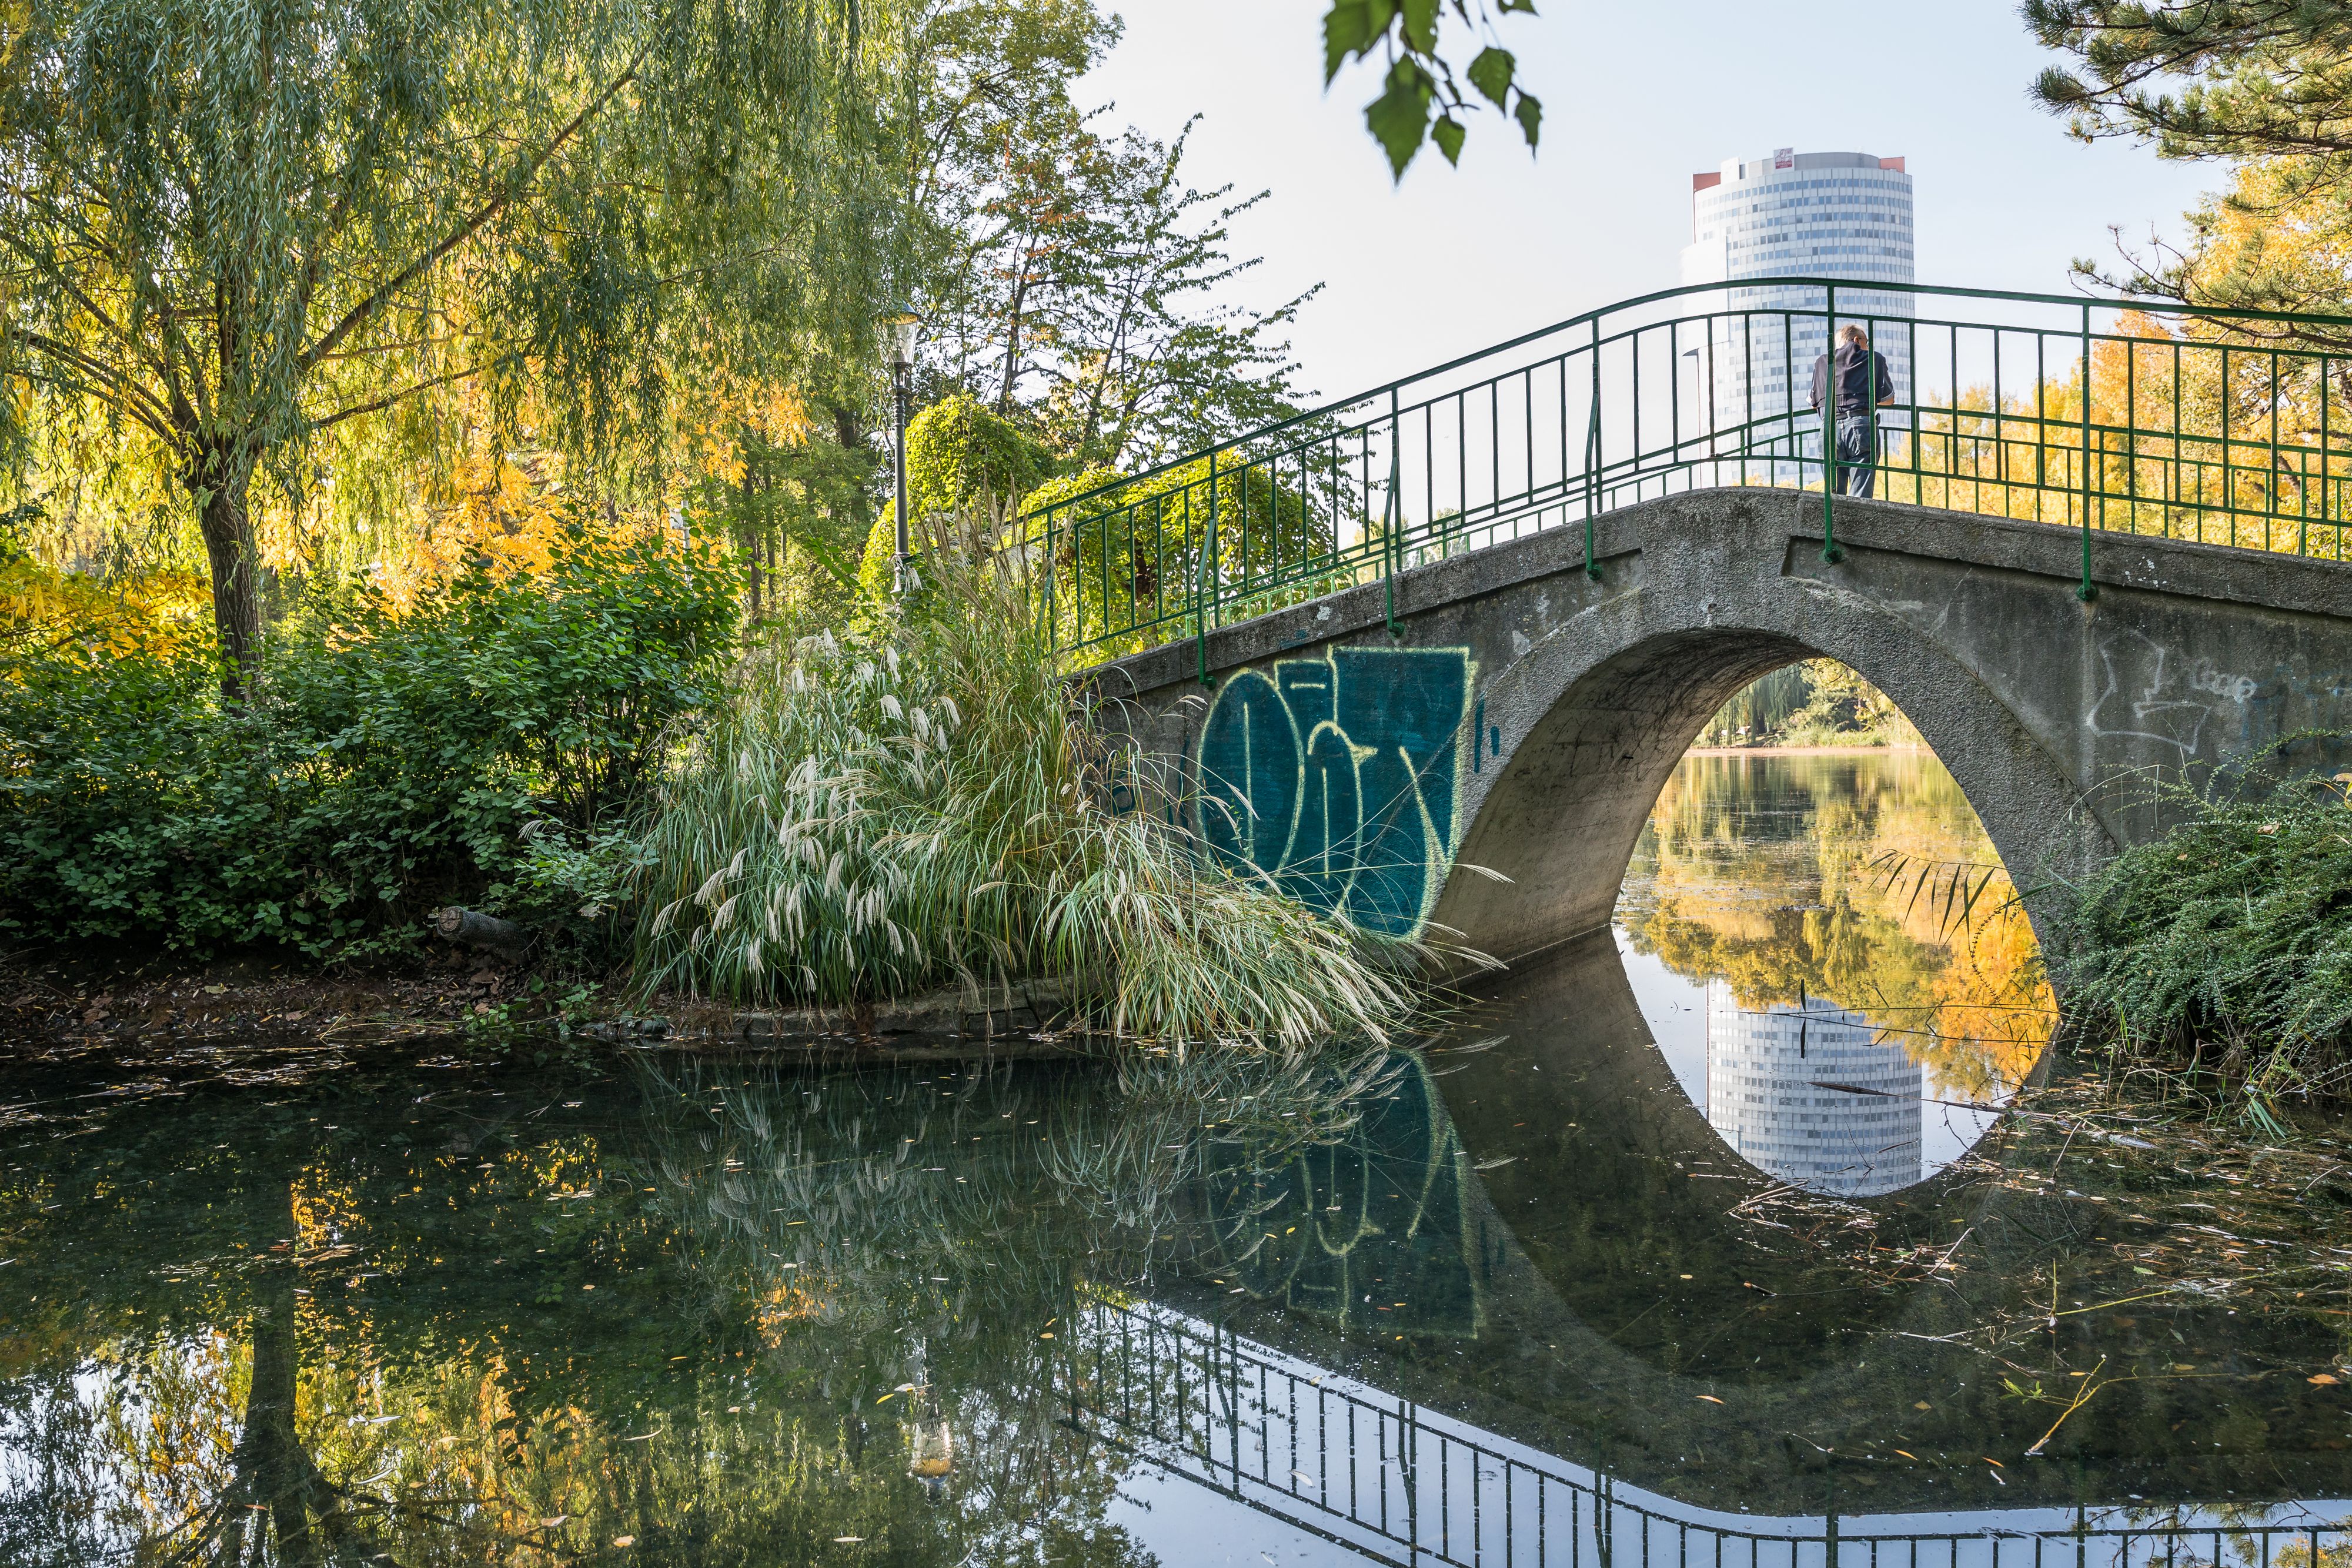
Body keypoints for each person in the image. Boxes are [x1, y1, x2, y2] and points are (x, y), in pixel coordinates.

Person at [1810, 323, 1896, 497]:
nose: (1868, 347)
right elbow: (1889, 399)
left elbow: (1814, 403)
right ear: (1857, 340)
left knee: (1834, 496)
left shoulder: (1822, 362)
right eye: (1867, 342)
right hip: (1861, 424)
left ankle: (1834, 515)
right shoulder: (1873, 359)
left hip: (1829, 429)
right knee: (1860, 494)